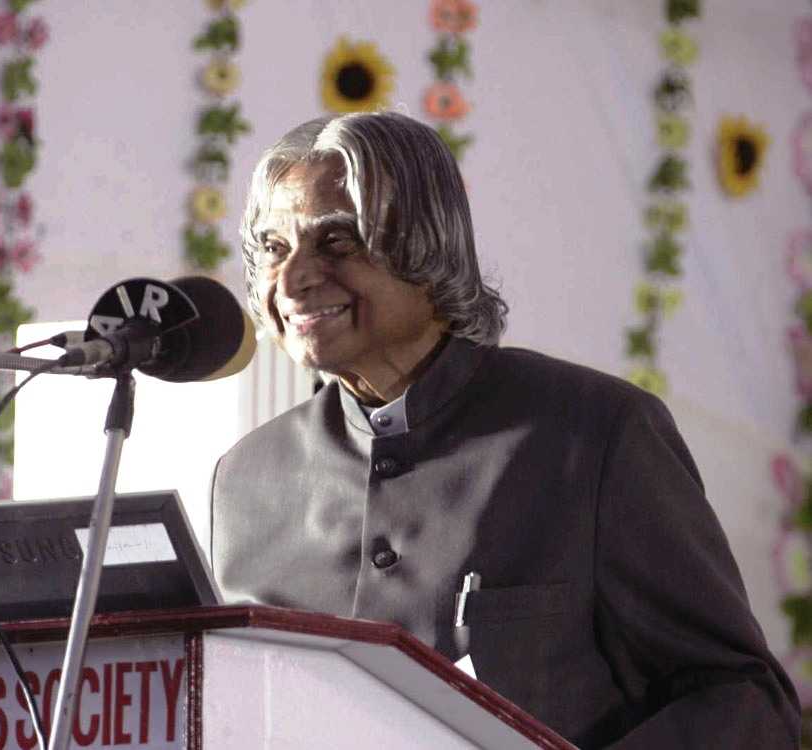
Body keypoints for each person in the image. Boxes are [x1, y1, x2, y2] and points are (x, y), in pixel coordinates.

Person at [209, 111, 800, 748]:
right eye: (274, 248)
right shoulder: (245, 478)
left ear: (428, 245)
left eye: (337, 241)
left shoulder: (595, 434)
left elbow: (744, 700)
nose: (292, 278)